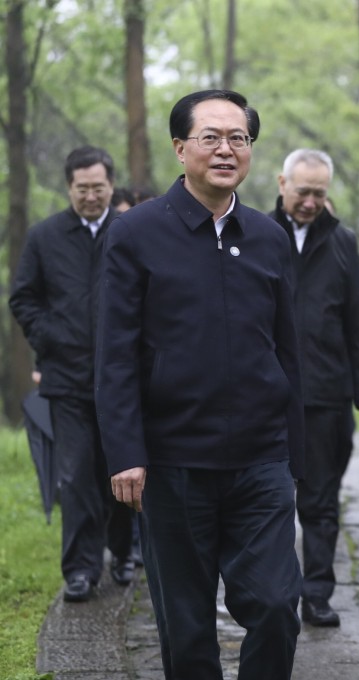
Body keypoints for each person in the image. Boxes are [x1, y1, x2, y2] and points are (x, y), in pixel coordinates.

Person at [95, 89, 305, 680]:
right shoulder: (135, 234)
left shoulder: (268, 236)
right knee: (186, 628)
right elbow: (113, 354)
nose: (225, 149)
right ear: (180, 147)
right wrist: (126, 452)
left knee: (273, 606)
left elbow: (289, 349)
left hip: (261, 460)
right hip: (171, 461)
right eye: (210, 137)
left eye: (238, 138)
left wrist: (297, 452)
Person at [9, 145, 135, 603]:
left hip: (122, 379)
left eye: (98, 188)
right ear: (69, 188)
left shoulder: (130, 230)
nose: (89, 197)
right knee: (77, 475)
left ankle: (123, 553)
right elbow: (24, 299)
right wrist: (51, 338)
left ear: (110, 185)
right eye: (81, 189)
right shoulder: (45, 237)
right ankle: (80, 569)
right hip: (67, 380)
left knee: (121, 471)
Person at [269, 148, 359, 628]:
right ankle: (273, 594)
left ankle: (316, 593)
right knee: (267, 502)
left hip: (325, 397)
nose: (311, 202)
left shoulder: (342, 242)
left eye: (319, 193)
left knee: (320, 503)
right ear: (281, 184)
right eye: (303, 192)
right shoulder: (254, 234)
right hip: (265, 397)